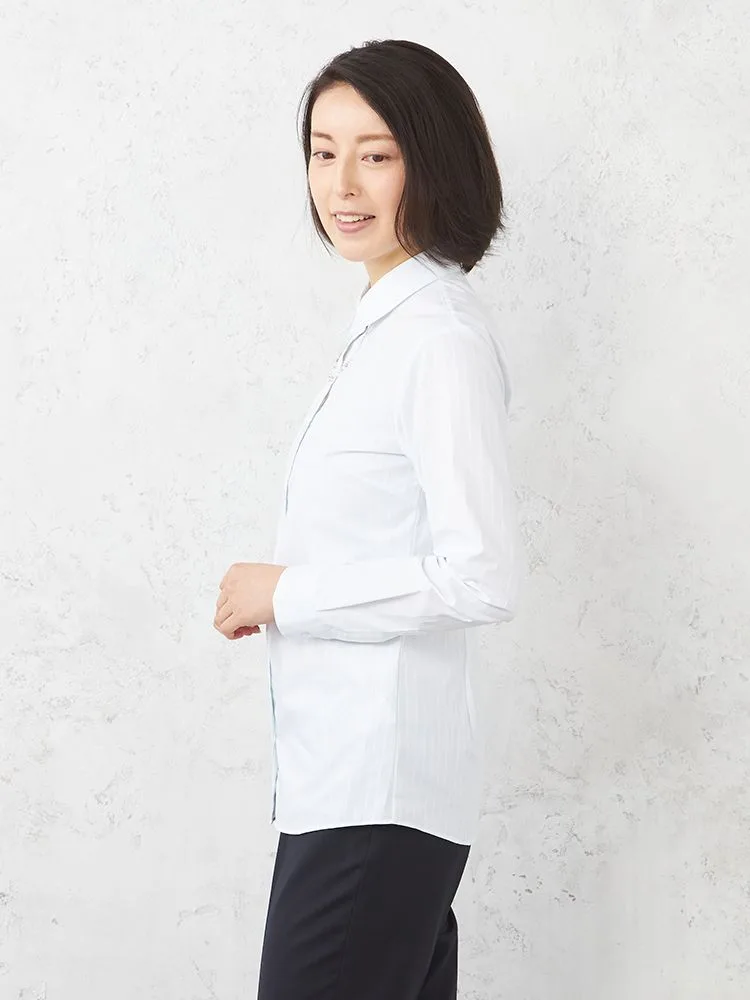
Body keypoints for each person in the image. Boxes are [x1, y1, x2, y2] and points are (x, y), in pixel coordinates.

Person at [218, 37, 524, 1000]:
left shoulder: (436, 339)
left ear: (432, 164)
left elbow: (482, 576)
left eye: (377, 154)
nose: (341, 185)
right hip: (349, 791)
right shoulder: (388, 331)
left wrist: (287, 594)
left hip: (375, 798)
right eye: (323, 151)